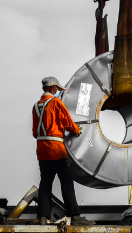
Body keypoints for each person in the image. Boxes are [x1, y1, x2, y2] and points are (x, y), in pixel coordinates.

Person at [32, 77, 91, 225]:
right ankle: (75, 216)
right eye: (57, 89)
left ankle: (43, 217)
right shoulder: (55, 103)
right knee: (66, 182)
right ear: (52, 88)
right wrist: (76, 131)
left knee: (45, 183)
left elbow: (35, 132)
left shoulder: (36, 106)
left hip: (42, 150)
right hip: (56, 150)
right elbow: (67, 122)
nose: (58, 92)